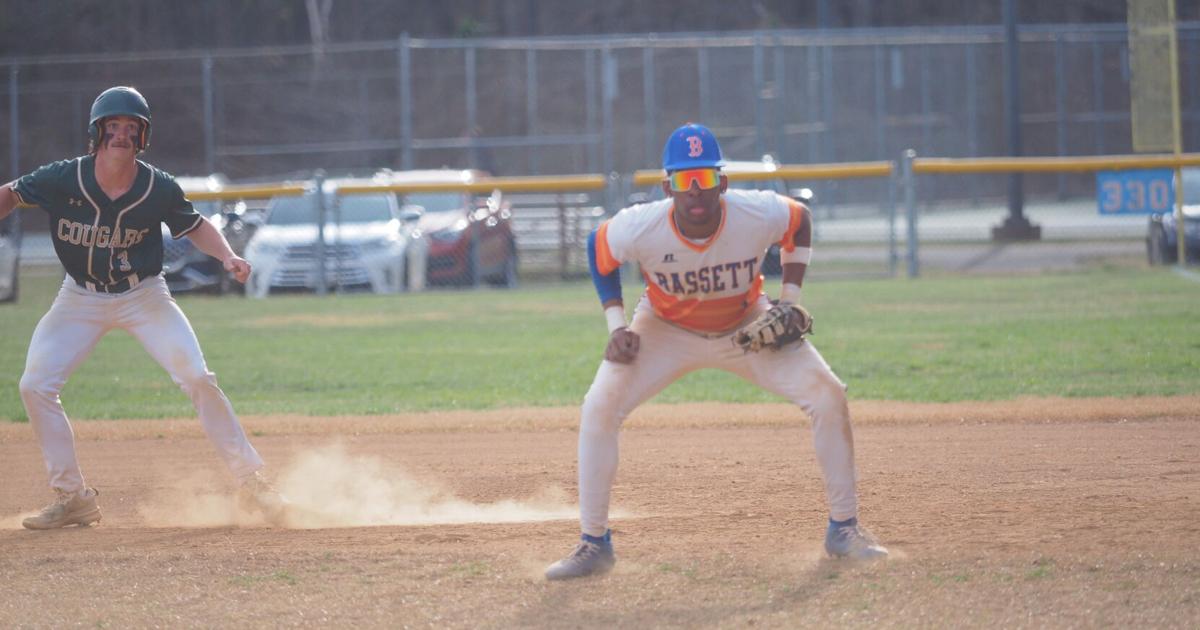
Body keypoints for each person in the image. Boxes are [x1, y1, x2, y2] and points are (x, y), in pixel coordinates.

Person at [544, 123, 887, 580]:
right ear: (668, 187)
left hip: (746, 326)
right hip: (664, 329)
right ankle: (593, 543)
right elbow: (598, 248)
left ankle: (843, 528)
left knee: (827, 394)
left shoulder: (755, 213)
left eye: (704, 177)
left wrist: (790, 301)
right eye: (684, 179)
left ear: (722, 182)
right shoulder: (641, 226)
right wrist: (617, 325)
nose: (695, 190)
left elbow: (800, 220)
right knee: (599, 406)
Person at [0, 86, 282, 529]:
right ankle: (73, 497)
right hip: (80, 297)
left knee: (196, 376)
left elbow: (195, 225)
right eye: (113, 126)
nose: (121, 134)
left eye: (131, 127)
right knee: (35, 385)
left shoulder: (156, 186)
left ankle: (253, 482)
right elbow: (13, 194)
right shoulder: (64, 178)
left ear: (143, 136)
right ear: (97, 132)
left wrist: (227, 256)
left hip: (144, 296)